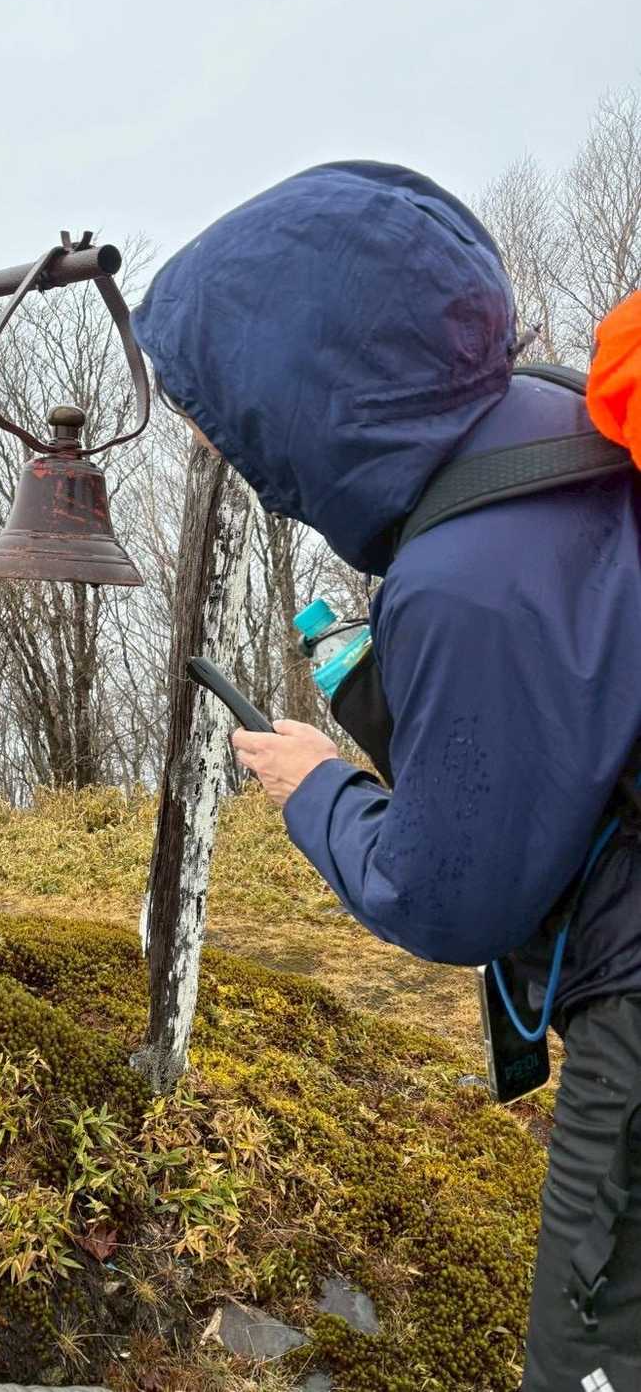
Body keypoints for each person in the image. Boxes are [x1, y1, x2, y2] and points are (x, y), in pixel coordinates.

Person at [131, 161, 641, 1392]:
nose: (216, 439)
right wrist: (399, 699)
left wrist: (316, 786)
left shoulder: (458, 579)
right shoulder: (551, 417)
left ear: (305, 390)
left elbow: (449, 899)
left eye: (223, 410)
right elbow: (570, 715)